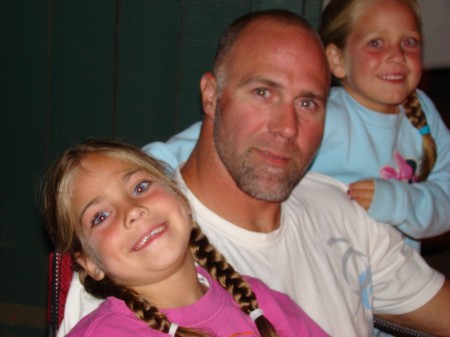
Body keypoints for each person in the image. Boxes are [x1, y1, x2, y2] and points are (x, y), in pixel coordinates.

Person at [56, 9, 450, 337]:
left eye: (309, 102)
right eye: (263, 92)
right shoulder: (143, 250)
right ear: (211, 95)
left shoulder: (338, 206)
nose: (287, 127)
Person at [42, 138, 328, 337]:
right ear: (89, 262)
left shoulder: (258, 301)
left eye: (140, 187)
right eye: (100, 217)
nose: (133, 211)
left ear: (180, 199)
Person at [310, 0, 450, 251]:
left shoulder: (423, 110)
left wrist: (399, 202)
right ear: (337, 59)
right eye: (376, 43)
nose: (397, 55)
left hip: (401, 278)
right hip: (326, 275)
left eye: (409, 42)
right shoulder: (321, 118)